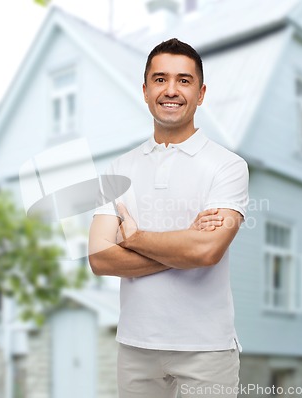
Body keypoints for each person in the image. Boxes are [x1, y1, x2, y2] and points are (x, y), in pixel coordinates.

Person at [88, 38, 249, 398]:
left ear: (201, 92)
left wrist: (134, 238)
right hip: (135, 347)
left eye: (184, 80)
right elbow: (99, 258)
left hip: (206, 350)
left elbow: (207, 252)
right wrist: (183, 245)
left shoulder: (228, 166)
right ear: (145, 91)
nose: (171, 90)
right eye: (160, 79)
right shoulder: (118, 168)